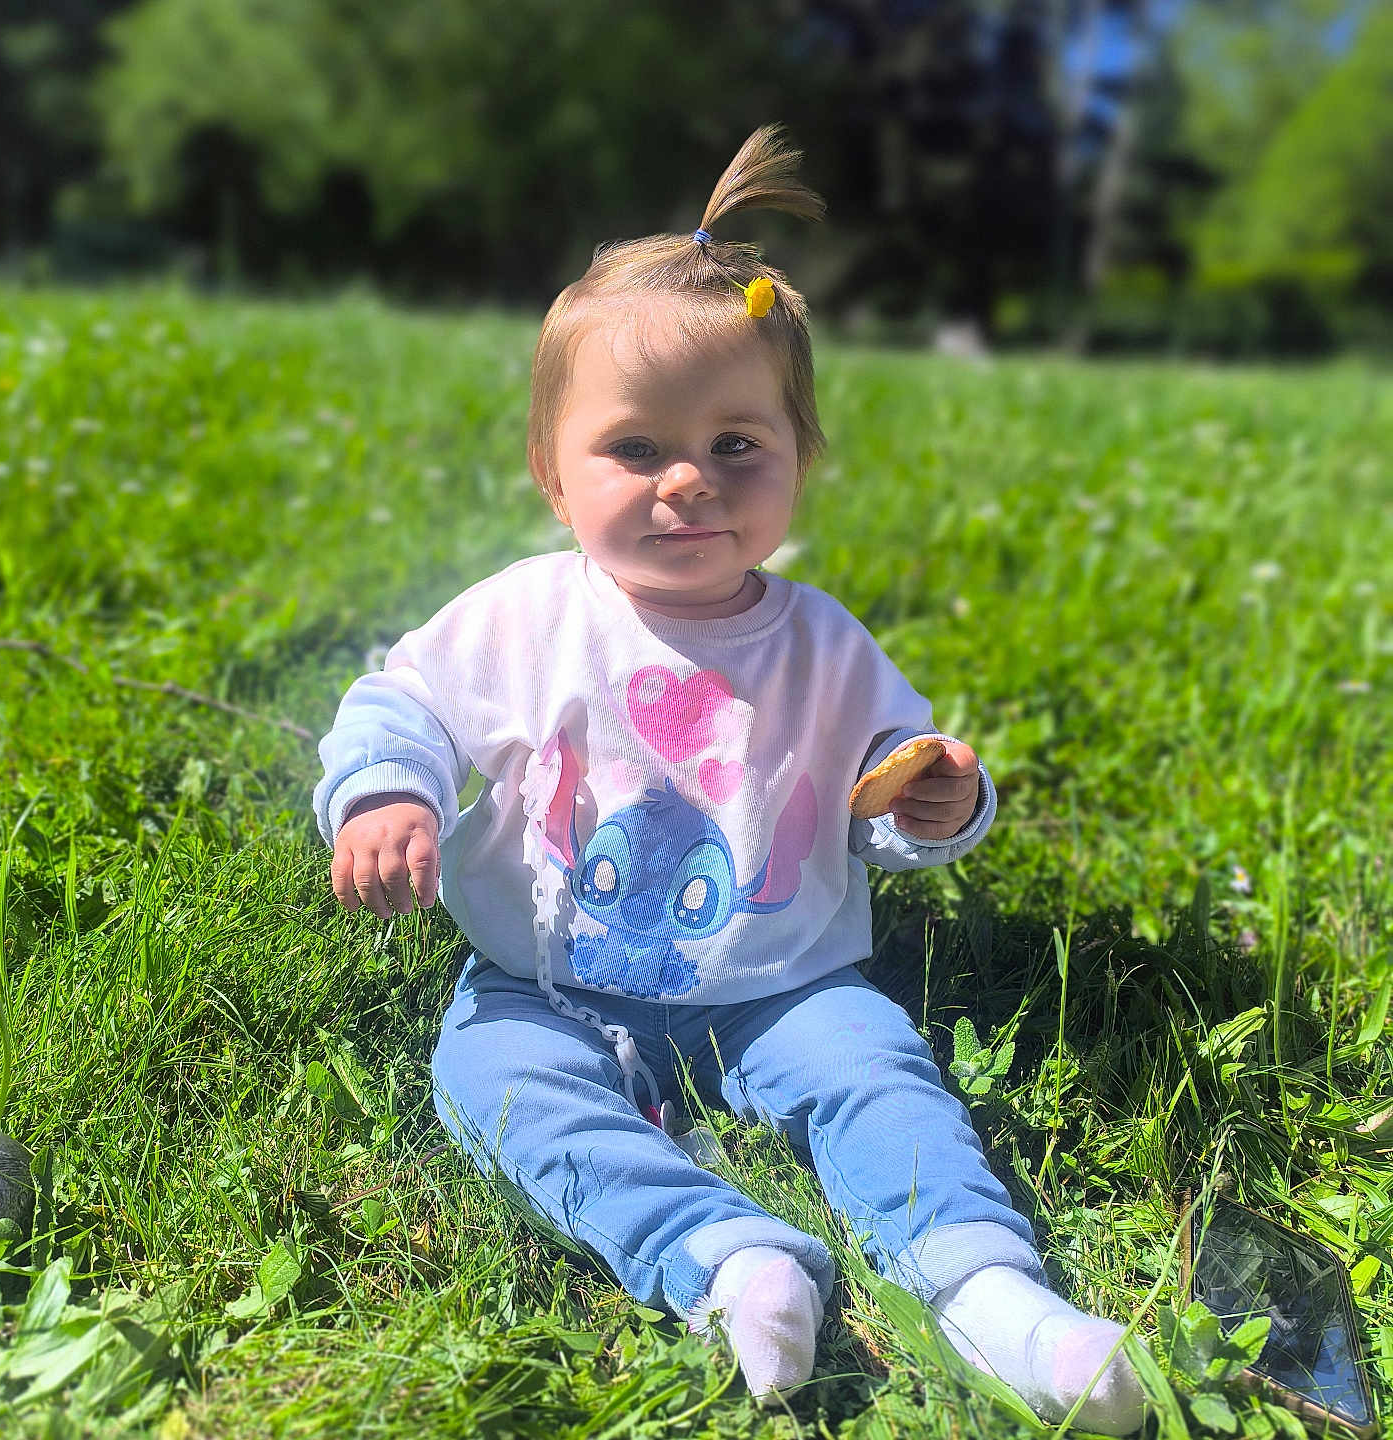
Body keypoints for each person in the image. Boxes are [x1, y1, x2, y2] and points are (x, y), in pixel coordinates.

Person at [313, 126, 1144, 1433]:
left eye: (738, 445)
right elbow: (399, 701)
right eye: (635, 450)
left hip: (782, 983)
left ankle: (990, 1294)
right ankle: (723, 1258)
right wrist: (387, 794)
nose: (688, 479)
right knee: (494, 1090)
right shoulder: (524, 619)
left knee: (881, 1078)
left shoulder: (822, 643)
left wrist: (937, 802)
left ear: (801, 459)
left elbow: (892, 780)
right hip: (542, 981)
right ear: (552, 474)